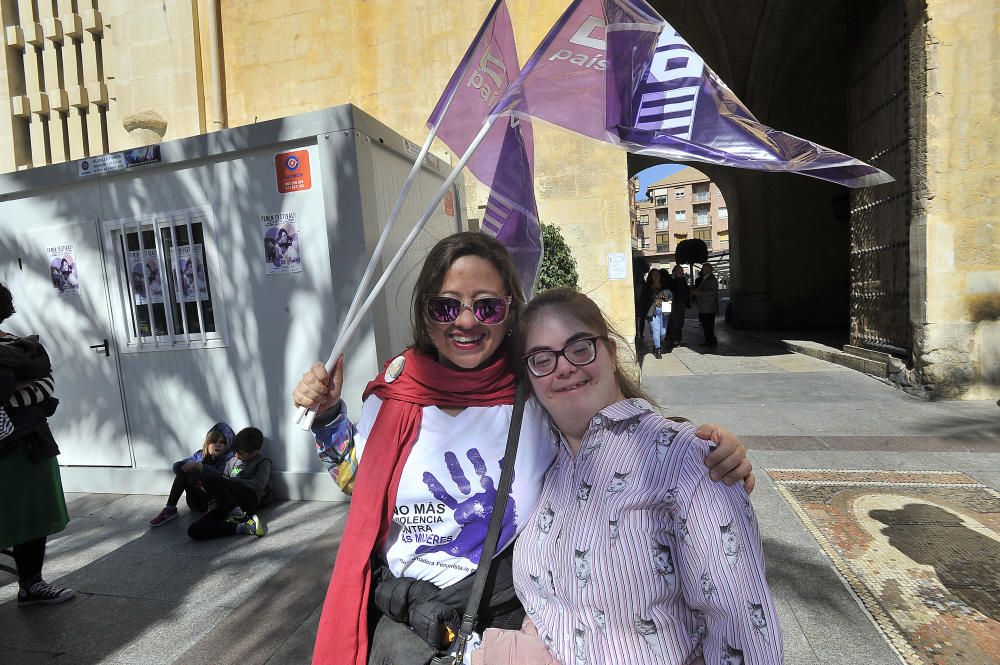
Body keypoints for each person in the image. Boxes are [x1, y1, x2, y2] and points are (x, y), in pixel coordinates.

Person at [292, 232, 754, 665]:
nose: (467, 321)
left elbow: (611, 427)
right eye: (446, 307)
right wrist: (330, 418)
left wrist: (696, 451)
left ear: (510, 311)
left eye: (487, 307)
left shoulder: (534, 390)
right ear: (424, 312)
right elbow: (359, 483)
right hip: (408, 617)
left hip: (508, 613)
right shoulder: (393, 393)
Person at [473, 287, 782, 664]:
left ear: (611, 353)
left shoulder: (688, 460)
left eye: (580, 347)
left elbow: (743, 632)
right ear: (531, 379)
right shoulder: (540, 463)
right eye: (542, 359)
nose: (565, 367)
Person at [0, 282, 74, 606]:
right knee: (27, 515)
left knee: (32, 514)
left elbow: (44, 384)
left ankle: (31, 583)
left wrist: (11, 395)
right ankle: (31, 583)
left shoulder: (19, 347)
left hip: (28, 445)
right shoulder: (24, 349)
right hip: (30, 440)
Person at [187, 427, 272, 540]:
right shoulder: (232, 462)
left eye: (240, 453)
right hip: (228, 503)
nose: (236, 455)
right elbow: (222, 486)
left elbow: (258, 485)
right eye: (235, 451)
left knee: (210, 476)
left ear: (255, 453)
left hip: (248, 499)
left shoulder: (263, 462)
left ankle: (239, 515)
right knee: (193, 531)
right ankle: (243, 527)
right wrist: (214, 499)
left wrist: (233, 481)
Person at [148, 422, 235, 527]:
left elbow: (221, 477)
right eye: (213, 441)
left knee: (202, 474)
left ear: (228, 444)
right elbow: (176, 467)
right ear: (207, 444)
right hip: (196, 500)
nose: (217, 444)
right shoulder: (200, 455)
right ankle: (170, 509)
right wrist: (185, 465)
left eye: (222, 442)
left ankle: (212, 512)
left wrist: (200, 467)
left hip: (214, 500)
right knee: (185, 473)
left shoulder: (229, 458)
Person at [639, 270, 669, 358]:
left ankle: (657, 343)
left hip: (663, 311)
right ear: (651, 277)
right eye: (654, 275)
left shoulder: (664, 285)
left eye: (657, 274)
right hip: (651, 311)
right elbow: (643, 299)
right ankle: (657, 349)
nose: (656, 276)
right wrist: (643, 312)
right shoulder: (647, 287)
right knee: (656, 330)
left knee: (663, 332)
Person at [693, 263, 719, 347]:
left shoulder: (712, 279)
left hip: (709, 307)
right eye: (703, 268)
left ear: (710, 270)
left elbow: (712, 292)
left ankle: (710, 341)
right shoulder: (705, 278)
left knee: (708, 326)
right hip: (704, 307)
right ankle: (710, 340)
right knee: (706, 325)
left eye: (705, 268)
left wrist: (700, 293)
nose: (703, 270)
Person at [668, 264, 690, 348]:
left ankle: (678, 340)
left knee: (680, 322)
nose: (682, 272)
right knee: (675, 322)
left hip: (681, 304)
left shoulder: (681, 280)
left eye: (682, 271)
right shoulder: (672, 281)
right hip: (675, 305)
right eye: (679, 271)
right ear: (674, 272)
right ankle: (674, 340)